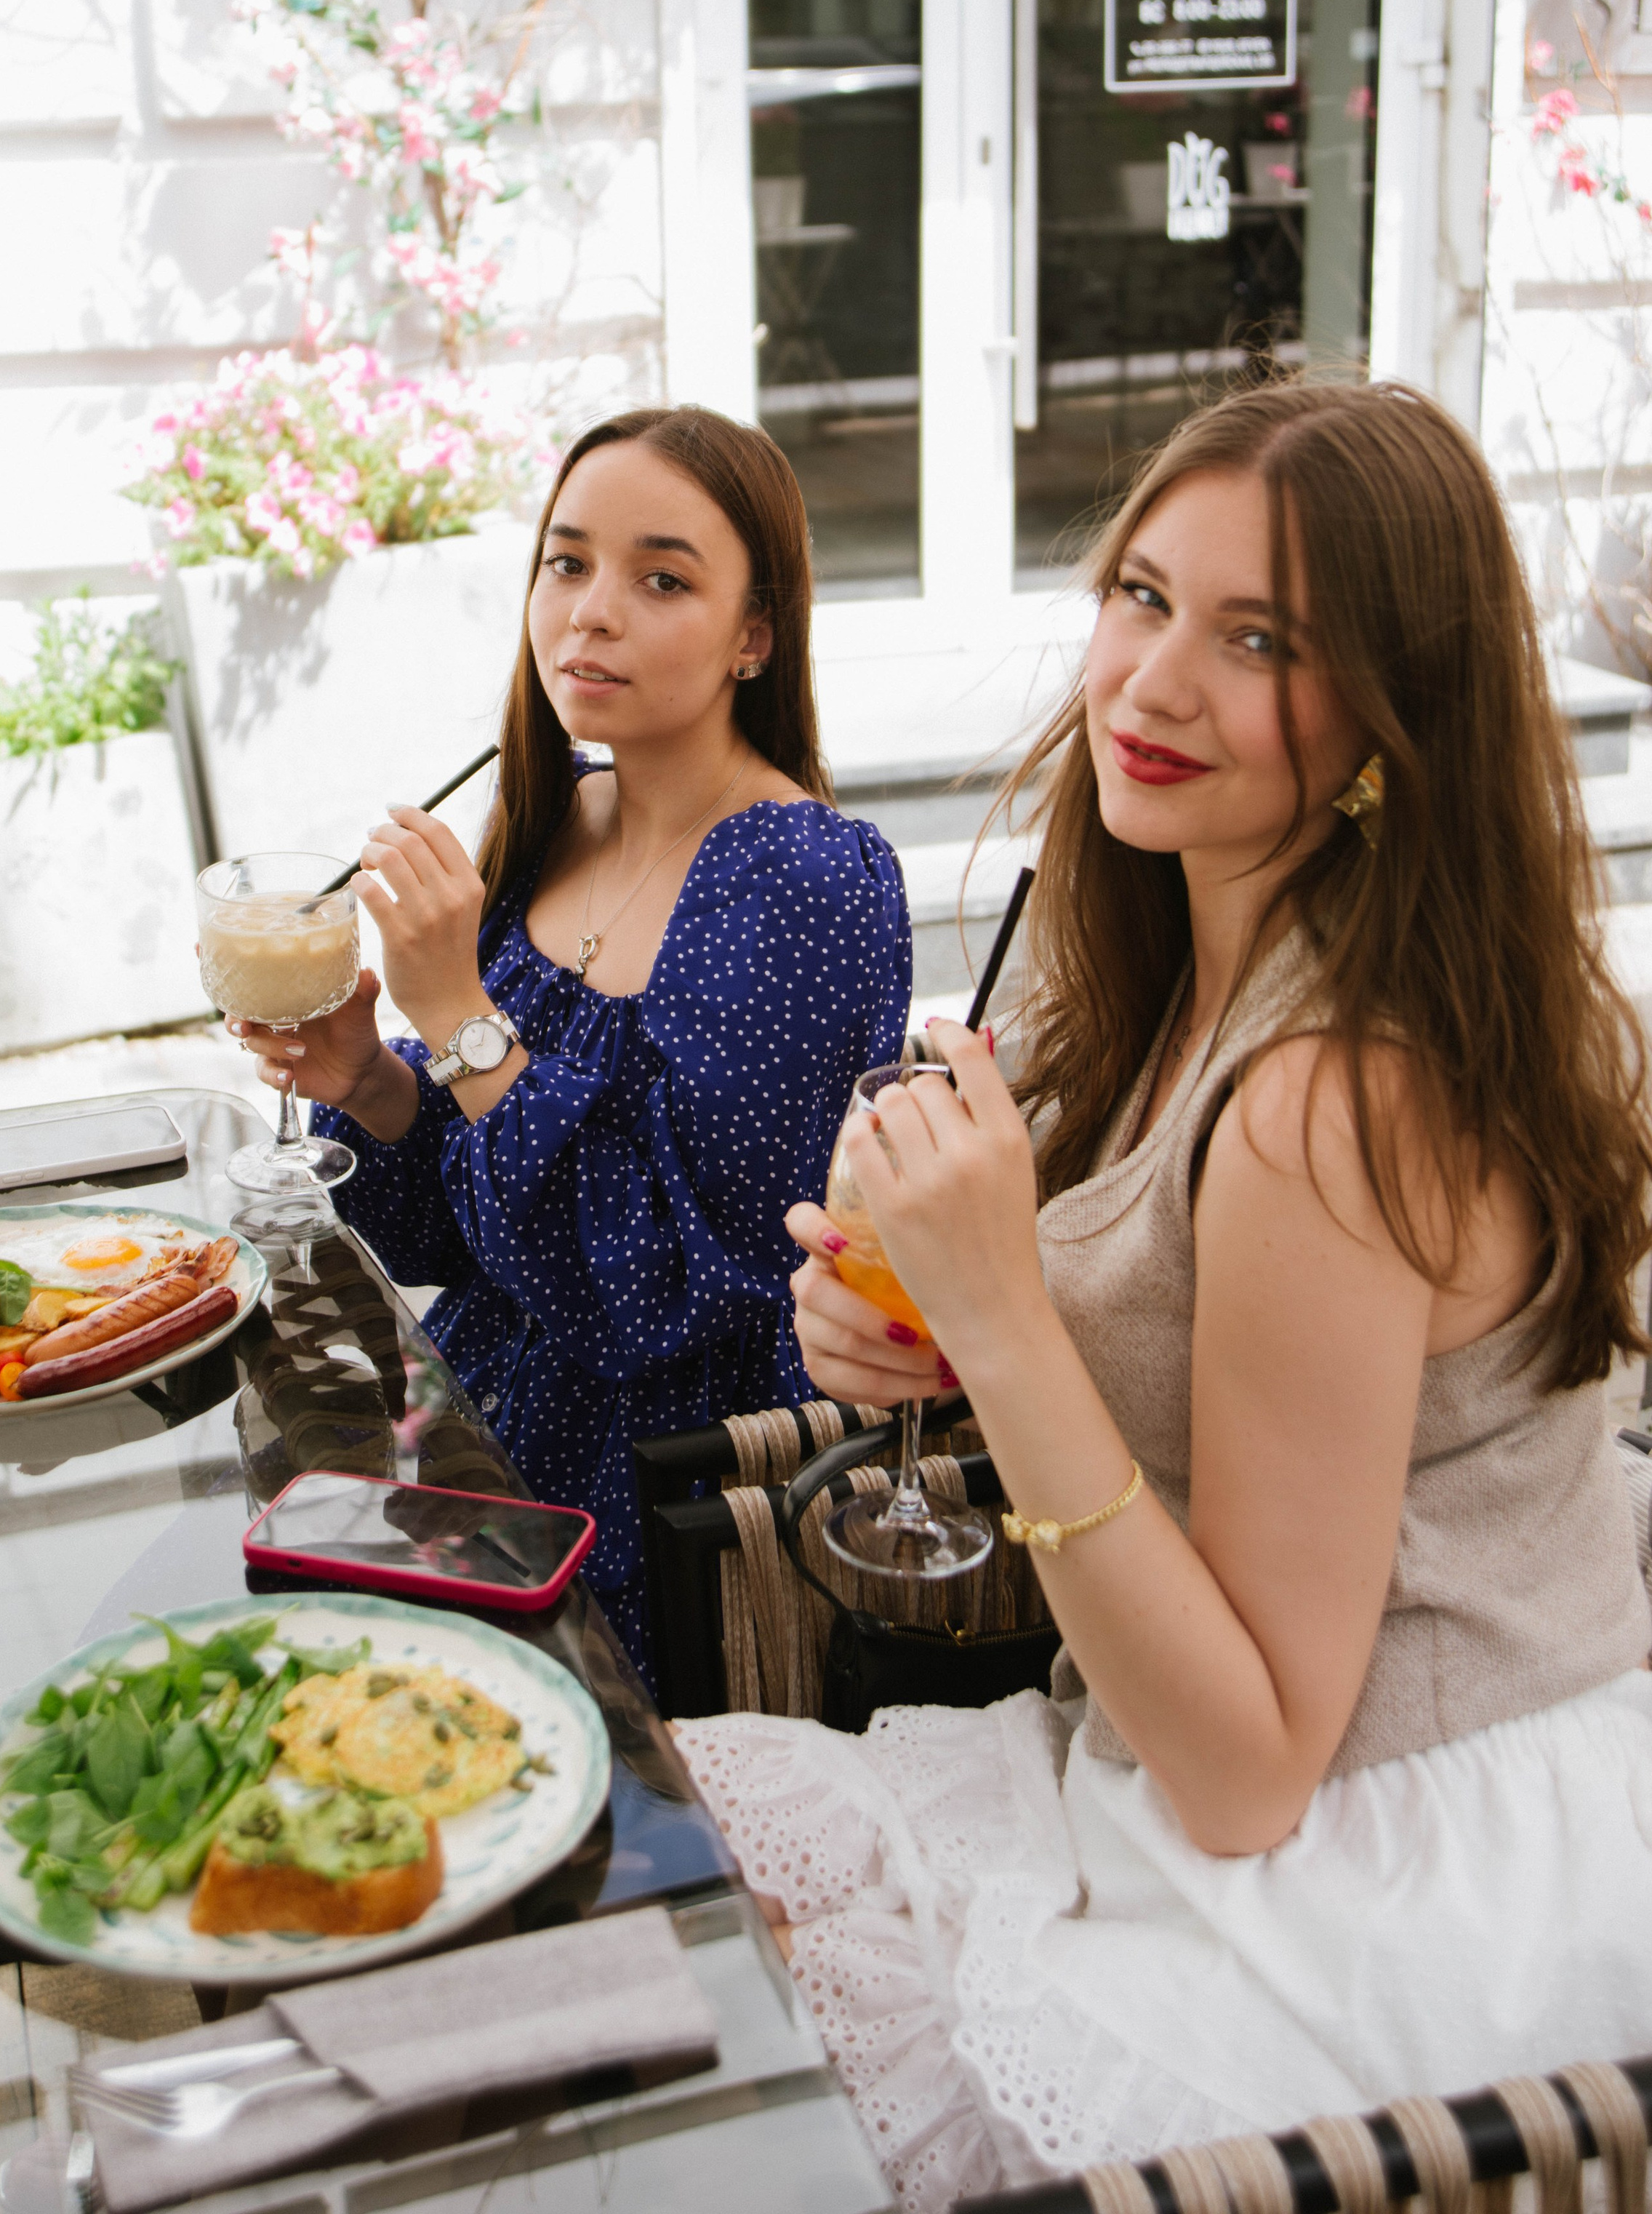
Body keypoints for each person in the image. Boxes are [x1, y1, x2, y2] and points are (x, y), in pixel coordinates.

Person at [673, 378, 1652, 2211]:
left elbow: (1250, 1772)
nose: (1149, 683)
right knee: (665, 1881)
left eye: (1257, 639)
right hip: (1142, 1752)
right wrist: (931, 1337)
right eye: (1140, 596)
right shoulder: (1175, 961)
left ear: (1390, 712)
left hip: (1367, 1867)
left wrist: (1001, 1325)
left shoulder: (1326, 1102)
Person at [230, 405, 911, 1680]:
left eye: (663, 579)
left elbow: (656, 1296)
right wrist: (374, 1082)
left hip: (665, 1519)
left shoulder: (802, 879)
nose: (591, 614)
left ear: (755, 635)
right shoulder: (562, 811)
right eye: (567, 561)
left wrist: (457, 1014)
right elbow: (470, 1241)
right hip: (473, 1440)